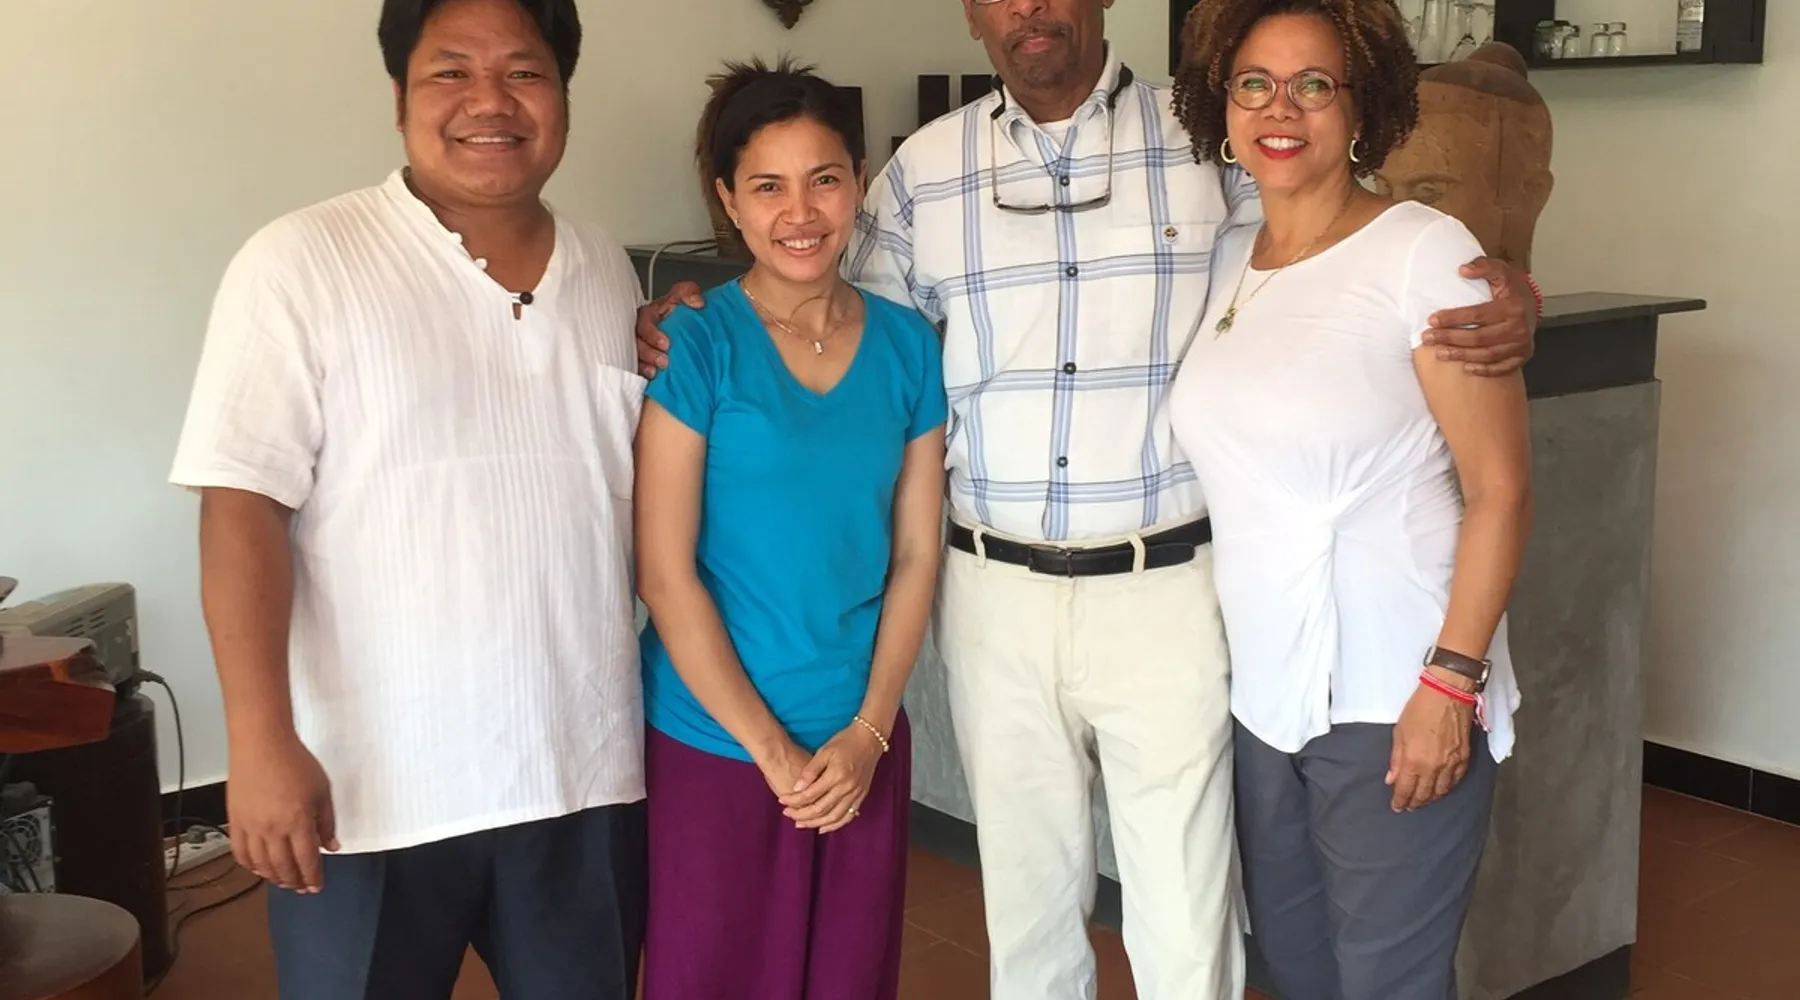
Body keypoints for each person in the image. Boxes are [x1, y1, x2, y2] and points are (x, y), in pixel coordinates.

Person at [636, 1, 1540, 997]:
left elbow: (1334, 234)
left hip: (1166, 586)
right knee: (1029, 914)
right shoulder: (921, 175)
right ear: (974, 13)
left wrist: (1495, 283)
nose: (1031, 7)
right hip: (993, 590)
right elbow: (814, 298)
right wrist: (681, 316)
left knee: (1186, 916)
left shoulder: (1211, 143)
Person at [167, 0, 647, 996]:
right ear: (399, 97)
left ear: (563, 93)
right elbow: (240, 508)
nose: (490, 102)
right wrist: (258, 741)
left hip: (583, 772)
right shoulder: (300, 262)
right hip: (370, 790)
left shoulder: (608, 268)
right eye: (451, 72)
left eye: (524, 72)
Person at [1165, 2, 1531, 998]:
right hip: (1266, 696)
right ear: (1222, 104)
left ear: (1363, 107)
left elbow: (1501, 491)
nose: (1281, 109)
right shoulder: (1230, 256)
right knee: (1298, 971)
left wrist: (1450, 685)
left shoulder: (1423, 252)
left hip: (1393, 688)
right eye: (1255, 83)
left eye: (1314, 85)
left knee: (1388, 981)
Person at [633, 59, 947, 1000]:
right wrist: (772, 751)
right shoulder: (695, 345)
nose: (800, 213)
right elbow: (664, 573)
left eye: (824, 180)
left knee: (848, 980)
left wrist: (869, 731)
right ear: (729, 200)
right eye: (767, 186)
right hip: (716, 742)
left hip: (858, 743)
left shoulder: (907, 345)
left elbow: (915, 554)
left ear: (860, 182)